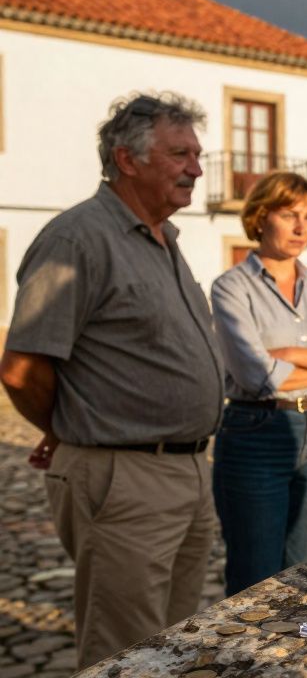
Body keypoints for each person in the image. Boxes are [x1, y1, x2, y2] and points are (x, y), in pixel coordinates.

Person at [0, 92, 224, 668]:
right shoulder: (78, 239)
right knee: (123, 654)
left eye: (197, 154)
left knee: (172, 646)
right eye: (180, 154)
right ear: (127, 159)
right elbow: (22, 369)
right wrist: (69, 425)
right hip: (125, 476)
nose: (196, 168)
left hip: (186, 471)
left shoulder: (164, 240)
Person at [210, 172, 307, 595]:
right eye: (289, 214)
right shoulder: (231, 287)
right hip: (256, 433)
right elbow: (256, 376)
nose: (302, 227)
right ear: (261, 217)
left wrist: (291, 355)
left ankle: (290, 659)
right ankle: (246, 657)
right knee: (254, 577)